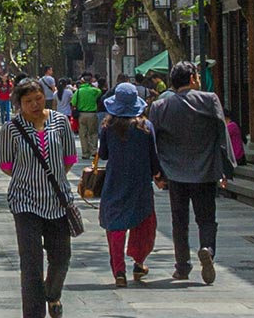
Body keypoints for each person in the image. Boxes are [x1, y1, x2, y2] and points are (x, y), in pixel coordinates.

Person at [0, 76, 78, 318]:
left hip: (57, 200)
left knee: (61, 256)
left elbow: (69, 158)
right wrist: (31, 178)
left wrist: (52, 179)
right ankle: (32, 316)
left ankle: (52, 294)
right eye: (28, 101)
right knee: (30, 260)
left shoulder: (61, 122)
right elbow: (7, 165)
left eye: (38, 98)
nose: (34, 104)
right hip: (25, 202)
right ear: (19, 104)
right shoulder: (11, 129)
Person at [147, 61, 235, 284]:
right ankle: (207, 249)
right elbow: (221, 135)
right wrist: (226, 168)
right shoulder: (209, 99)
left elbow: (152, 140)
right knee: (206, 218)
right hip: (205, 171)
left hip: (174, 173)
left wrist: (156, 171)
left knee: (179, 220)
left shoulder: (159, 106)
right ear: (194, 78)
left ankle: (182, 266)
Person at [96, 82, 162, 285]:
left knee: (115, 225)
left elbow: (104, 154)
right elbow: (153, 157)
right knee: (142, 222)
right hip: (140, 181)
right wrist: (158, 175)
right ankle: (139, 262)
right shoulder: (146, 127)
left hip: (115, 180)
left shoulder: (107, 126)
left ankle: (119, 271)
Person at [73, 72, 105, 155]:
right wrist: (92, 85)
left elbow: (73, 103)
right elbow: (99, 92)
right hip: (92, 114)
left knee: (83, 134)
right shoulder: (94, 90)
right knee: (93, 133)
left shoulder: (79, 91)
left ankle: (85, 153)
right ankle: (93, 150)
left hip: (81, 114)